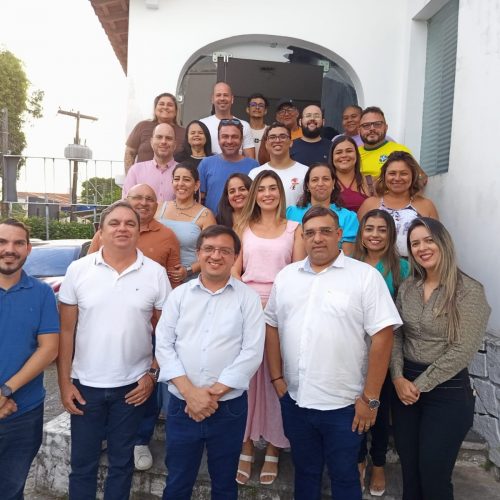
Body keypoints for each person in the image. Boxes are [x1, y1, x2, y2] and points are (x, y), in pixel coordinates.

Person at [265, 206, 402, 500]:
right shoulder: (286, 277)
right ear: (302, 237)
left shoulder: (365, 277)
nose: (318, 238)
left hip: (345, 406)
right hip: (296, 400)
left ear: (339, 234)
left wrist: (371, 398)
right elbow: (272, 325)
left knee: (344, 477)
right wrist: (276, 378)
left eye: (325, 231)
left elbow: (383, 337)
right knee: (305, 473)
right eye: (310, 233)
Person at [57, 201, 170, 500]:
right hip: (85, 386)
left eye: (130, 223)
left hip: (132, 387)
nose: (122, 228)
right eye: (114, 223)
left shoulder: (155, 273)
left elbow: (167, 331)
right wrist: (64, 383)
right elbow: (65, 332)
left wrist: (152, 374)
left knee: (122, 464)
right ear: (101, 231)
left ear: (138, 231)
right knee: (82, 465)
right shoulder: (78, 270)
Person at [155, 225, 265, 500]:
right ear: (199, 253)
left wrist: (211, 395)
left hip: (228, 408)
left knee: (225, 484)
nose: (216, 256)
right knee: (177, 482)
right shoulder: (179, 295)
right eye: (209, 249)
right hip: (182, 405)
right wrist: (191, 394)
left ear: (235, 257)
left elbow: (252, 351)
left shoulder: (248, 298)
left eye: (225, 251)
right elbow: (164, 345)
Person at [391, 217, 490, 500]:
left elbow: (463, 349)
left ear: (443, 242)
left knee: (434, 476)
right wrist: (397, 377)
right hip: (404, 389)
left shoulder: (469, 291)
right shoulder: (408, 287)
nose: (422, 248)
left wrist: (418, 385)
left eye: (428, 240)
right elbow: (396, 334)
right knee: (410, 473)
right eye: (415, 244)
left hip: (447, 391)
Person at [87, 183, 181, 471]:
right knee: (107, 384)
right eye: (137, 197)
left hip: (150, 323)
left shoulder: (168, 235)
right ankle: (105, 436)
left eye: (149, 199)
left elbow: (174, 277)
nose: (143, 202)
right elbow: (90, 270)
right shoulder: (107, 231)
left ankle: (141, 440)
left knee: (145, 388)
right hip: (107, 323)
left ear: (157, 204)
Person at [232, 170, 305, 486]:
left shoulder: (294, 229)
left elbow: (298, 274)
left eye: (273, 188)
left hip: (282, 308)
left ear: (281, 192)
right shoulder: (242, 226)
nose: (267, 194)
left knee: (277, 378)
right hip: (247, 307)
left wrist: (274, 308)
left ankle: (274, 446)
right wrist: (248, 304)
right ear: (254, 194)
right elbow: (235, 271)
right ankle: (246, 446)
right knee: (246, 380)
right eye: (261, 189)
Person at [0, 218, 59, 499]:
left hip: (23, 413)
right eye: (2, 242)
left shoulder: (42, 293)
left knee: (11, 491)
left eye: (18, 243)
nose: (9, 249)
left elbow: (49, 349)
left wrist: (5, 391)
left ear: (28, 249)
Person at [352, 209, 410, 495]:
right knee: (355, 406)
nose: (375, 235)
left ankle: (378, 463)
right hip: (354, 349)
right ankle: (358, 459)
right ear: (361, 234)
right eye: (369, 229)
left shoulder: (402, 268)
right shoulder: (350, 265)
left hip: (387, 348)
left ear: (391, 234)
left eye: (382, 229)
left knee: (379, 407)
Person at [358, 151, 439, 257]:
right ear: (384, 175)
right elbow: (358, 241)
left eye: (403, 173)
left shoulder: (426, 206)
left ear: (413, 176)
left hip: (415, 266)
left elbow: (436, 242)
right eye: (392, 173)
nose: (397, 178)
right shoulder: (370, 204)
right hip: (375, 264)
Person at [156, 163, 216, 284]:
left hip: (189, 281)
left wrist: (188, 270)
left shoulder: (206, 215)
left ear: (196, 185)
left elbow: (212, 252)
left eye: (187, 180)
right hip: (157, 279)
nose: (180, 183)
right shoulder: (159, 207)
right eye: (177, 179)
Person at [286, 162, 359, 255]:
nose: (320, 184)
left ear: (333, 183)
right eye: (315, 180)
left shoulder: (349, 218)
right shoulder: (291, 213)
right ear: (307, 185)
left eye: (326, 179)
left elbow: (347, 256)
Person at [198, 119, 258, 214]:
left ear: (241, 140)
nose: (229, 141)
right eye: (225, 136)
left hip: (244, 221)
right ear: (218, 139)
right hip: (212, 222)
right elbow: (199, 199)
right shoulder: (206, 164)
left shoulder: (253, 166)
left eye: (234, 137)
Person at [358, 106, 427, 183]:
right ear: (359, 130)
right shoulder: (352, 154)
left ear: (386, 127)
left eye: (377, 124)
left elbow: (421, 178)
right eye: (366, 125)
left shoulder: (399, 150)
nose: (372, 128)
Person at [249, 122, 308, 208]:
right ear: (266, 144)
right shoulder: (255, 174)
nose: (277, 140)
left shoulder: (305, 172)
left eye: (282, 136)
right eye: (272, 137)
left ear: (291, 142)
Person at [124, 92, 184, 173]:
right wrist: (130, 177)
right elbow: (130, 153)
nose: (165, 107)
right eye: (161, 104)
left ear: (176, 111)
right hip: (142, 178)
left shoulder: (184, 132)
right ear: (155, 109)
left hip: (173, 179)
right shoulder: (142, 126)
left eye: (170, 105)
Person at [123, 122, 178, 202]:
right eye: (159, 137)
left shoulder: (184, 173)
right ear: (151, 142)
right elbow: (127, 203)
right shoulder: (135, 171)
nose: (163, 141)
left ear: (175, 145)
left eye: (168, 138)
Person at [200, 81, 255, 158]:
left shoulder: (244, 125)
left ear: (232, 99)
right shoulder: (202, 125)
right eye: (218, 95)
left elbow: (250, 160)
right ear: (212, 99)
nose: (222, 98)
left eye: (225, 95)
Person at [330, 135, 374, 213]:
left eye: (349, 151)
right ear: (332, 157)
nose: (344, 155)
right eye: (338, 152)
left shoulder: (370, 182)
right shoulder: (325, 182)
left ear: (356, 154)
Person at [258, 99, 302, 166]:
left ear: (297, 113)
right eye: (282, 111)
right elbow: (263, 161)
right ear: (277, 117)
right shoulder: (270, 134)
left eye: (290, 110)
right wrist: (265, 136)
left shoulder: (305, 133)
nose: (286, 114)